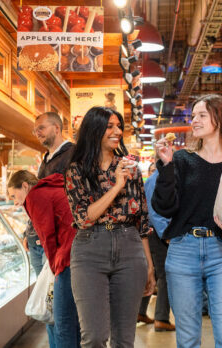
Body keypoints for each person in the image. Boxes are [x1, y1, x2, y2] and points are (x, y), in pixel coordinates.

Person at [152, 94, 222, 348]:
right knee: (187, 339)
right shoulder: (181, 160)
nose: (194, 121)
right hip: (183, 250)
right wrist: (165, 167)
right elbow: (163, 207)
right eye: (193, 116)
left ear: (220, 119)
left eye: (201, 115)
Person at [64, 106, 156, 348]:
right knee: (93, 336)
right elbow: (84, 218)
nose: (117, 132)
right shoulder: (77, 170)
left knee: (124, 338)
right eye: (110, 127)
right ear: (94, 131)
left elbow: (142, 220)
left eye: (119, 127)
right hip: (89, 250)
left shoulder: (131, 167)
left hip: (130, 247)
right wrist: (116, 186)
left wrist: (149, 265)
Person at [7, 170, 80, 348]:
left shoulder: (35, 196)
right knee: (73, 321)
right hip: (79, 252)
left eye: (14, 195)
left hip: (67, 257)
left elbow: (47, 236)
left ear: (25, 186)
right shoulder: (50, 188)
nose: (15, 201)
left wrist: (55, 268)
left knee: (62, 322)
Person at [22, 111, 74, 348]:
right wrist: (28, 232)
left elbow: (68, 202)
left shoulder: (71, 154)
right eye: (35, 130)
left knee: (60, 310)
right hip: (42, 240)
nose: (37, 133)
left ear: (57, 127)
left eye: (41, 128)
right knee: (48, 305)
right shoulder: (46, 159)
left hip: (58, 244)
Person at [137, 162, 176, 332]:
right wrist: (166, 234)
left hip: (151, 232)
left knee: (151, 272)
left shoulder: (154, 179)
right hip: (158, 233)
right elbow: (153, 211)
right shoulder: (157, 179)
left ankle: (140, 311)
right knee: (165, 275)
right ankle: (161, 318)